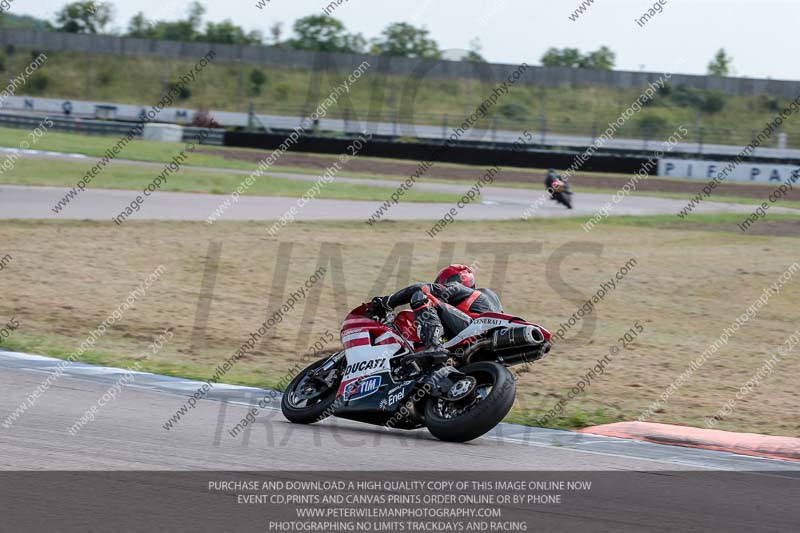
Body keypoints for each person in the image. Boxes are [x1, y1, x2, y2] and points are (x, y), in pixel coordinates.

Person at [370, 264, 502, 363]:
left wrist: (385, 302)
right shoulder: (486, 299)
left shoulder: (460, 289)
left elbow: (421, 288)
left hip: (476, 332)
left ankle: (433, 346)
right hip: (487, 351)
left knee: (421, 295)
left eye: (440, 284)